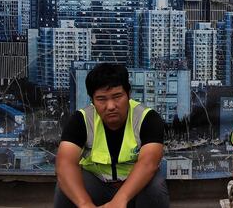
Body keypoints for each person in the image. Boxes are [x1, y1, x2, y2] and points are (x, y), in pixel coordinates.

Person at [54, 63, 169, 208]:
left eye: (117, 96)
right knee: (65, 184)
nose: (111, 106)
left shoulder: (147, 118)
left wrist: (120, 199)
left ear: (128, 94)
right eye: (101, 99)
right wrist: (85, 204)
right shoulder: (81, 119)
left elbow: (149, 163)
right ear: (92, 100)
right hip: (96, 184)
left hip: (134, 187)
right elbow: (65, 163)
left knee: (155, 186)